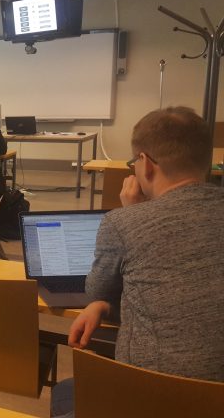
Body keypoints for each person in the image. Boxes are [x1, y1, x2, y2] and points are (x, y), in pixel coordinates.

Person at [52, 107, 224, 417]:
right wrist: (106, 308)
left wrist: (132, 213)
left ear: (145, 163)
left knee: (66, 393)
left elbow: (96, 290)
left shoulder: (124, 223)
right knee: (67, 391)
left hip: (149, 400)